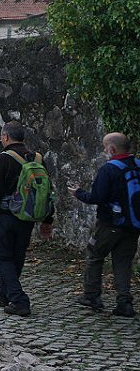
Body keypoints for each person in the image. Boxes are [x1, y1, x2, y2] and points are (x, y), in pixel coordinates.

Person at [0, 120, 53, 317]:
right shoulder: (37, 158)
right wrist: (47, 219)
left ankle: (19, 300)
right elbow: (46, 191)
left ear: (6, 137)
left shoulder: (4, 159)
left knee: (2, 257)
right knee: (17, 257)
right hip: (28, 218)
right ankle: (2, 292)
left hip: (7, 216)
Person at [70, 132, 139, 317]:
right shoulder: (138, 166)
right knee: (123, 262)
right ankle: (125, 302)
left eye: (104, 147)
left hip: (109, 224)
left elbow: (97, 197)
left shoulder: (109, 169)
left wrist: (78, 193)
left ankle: (92, 295)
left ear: (112, 149)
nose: (104, 150)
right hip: (133, 225)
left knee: (95, 255)